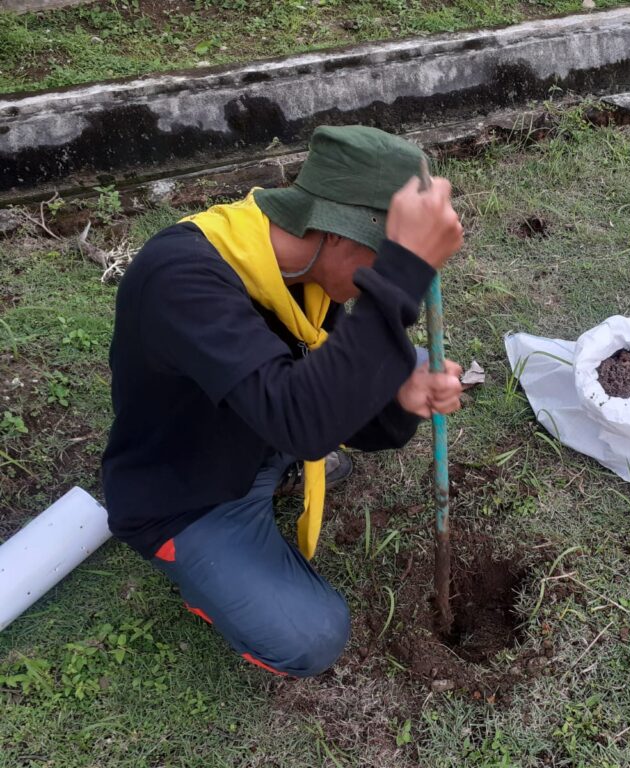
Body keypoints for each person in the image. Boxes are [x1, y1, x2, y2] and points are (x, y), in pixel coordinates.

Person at [101, 125, 465, 677]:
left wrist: (399, 400)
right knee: (310, 639)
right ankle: (207, 576)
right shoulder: (181, 279)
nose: (377, 285)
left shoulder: (305, 274)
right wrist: (398, 280)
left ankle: (278, 472)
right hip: (187, 494)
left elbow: (355, 424)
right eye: (381, 262)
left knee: (403, 365)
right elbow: (303, 423)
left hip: (265, 430)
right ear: (335, 232)